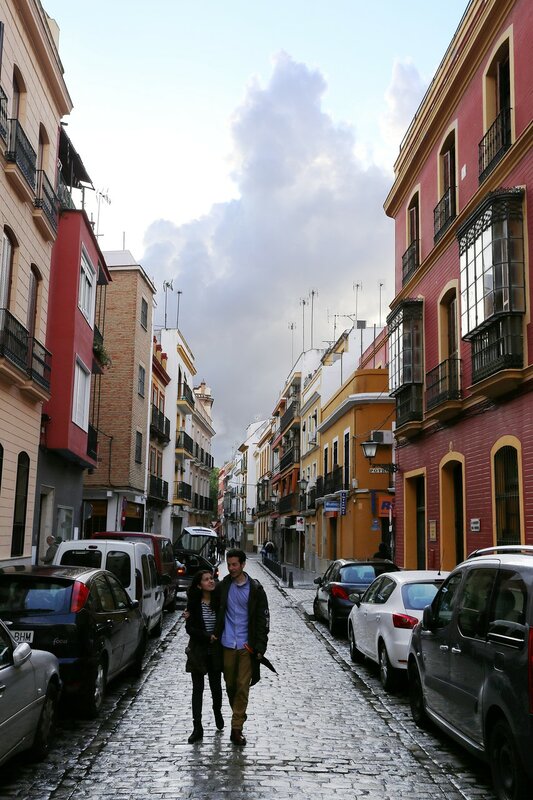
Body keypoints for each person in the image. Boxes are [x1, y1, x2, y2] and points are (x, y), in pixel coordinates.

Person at [215, 548, 269, 747]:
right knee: (230, 684)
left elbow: (263, 620)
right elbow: (204, 597)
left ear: (243, 564)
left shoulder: (256, 589)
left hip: (247, 646)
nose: (231, 568)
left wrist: (260, 646)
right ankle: (239, 714)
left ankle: (236, 728)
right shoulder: (223, 586)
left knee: (243, 686)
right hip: (227, 643)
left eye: (235, 565)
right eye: (229, 565)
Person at [185, 569, 224, 744]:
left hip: (215, 652)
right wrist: (207, 636)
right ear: (199, 585)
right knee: (197, 690)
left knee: (216, 688)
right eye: (206, 579)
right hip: (199, 652)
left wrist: (217, 635)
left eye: (212, 578)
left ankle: (217, 711)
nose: (211, 581)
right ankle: (197, 727)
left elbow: (224, 621)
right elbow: (190, 629)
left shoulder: (219, 601)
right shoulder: (193, 604)